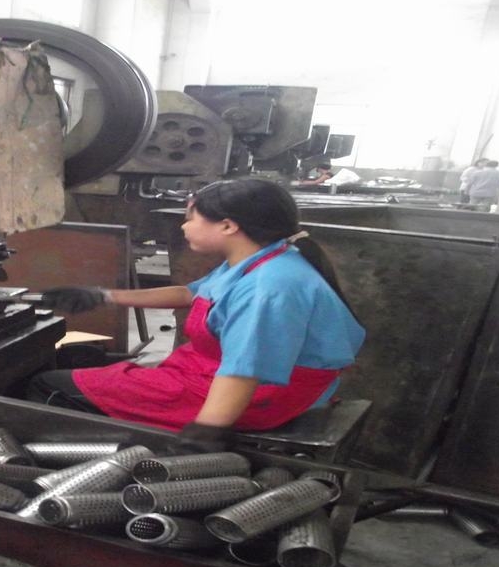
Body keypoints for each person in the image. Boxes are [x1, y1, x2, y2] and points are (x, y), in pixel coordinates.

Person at [30, 179, 366, 442]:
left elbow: (245, 370)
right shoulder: (263, 259)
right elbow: (189, 294)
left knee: (49, 386)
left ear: (228, 226)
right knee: (98, 376)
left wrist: (206, 430)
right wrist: (103, 296)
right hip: (221, 374)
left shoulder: (268, 287)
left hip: (257, 396)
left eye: (191, 218)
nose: (184, 226)